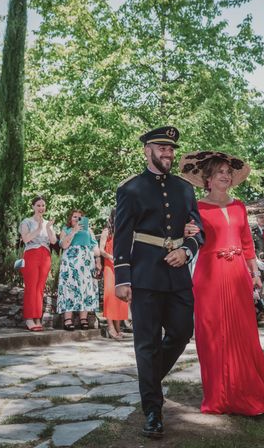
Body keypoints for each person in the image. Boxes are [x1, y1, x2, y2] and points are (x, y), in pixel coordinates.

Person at [113, 126, 204, 438]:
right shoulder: (130, 189)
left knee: (182, 332)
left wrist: (187, 250)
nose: (168, 153)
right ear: (147, 151)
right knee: (146, 344)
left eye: (171, 149)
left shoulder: (185, 189)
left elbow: (198, 230)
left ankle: (149, 379)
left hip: (177, 274)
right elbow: (122, 236)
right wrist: (122, 278)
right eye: (162, 148)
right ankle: (153, 410)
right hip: (145, 275)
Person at [179, 151, 264, 415]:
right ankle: (218, 397)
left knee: (243, 332)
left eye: (228, 172)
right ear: (208, 178)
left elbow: (247, 245)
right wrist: (186, 232)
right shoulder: (196, 208)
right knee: (212, 334)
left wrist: (254, 274)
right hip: (209, 276)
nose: (226, 175)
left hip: (237, 276)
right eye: (220, 171)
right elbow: (186, 238)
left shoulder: (239, 206)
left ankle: (248, 393)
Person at [57, 209, 102, 331]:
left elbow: (95, 247)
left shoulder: (89, 230)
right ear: (70, 219)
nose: (77, 219)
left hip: (86, 264)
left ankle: (83, 318)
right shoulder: (65, 230)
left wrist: (98, 261)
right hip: (70, 263)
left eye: (79, 217)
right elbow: (64, 245)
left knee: (85, 288)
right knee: (69, 288)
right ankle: (68, 319)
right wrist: (74, 231)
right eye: (74, 217)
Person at [19, 196, 57, 332]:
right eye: (38, 205)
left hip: (45, 256)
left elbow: (53, 241)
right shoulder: (27, 221)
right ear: (33, 207)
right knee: (31, 286)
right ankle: (29, 318)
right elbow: (26, 238)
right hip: (31, 254)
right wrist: (39, 227)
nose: (41, 208)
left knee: (40, 288)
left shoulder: (48, 223)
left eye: (43, 205)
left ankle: (37, 317)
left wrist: (47, 227)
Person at [100, 208, 128, 340]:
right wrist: (110, 257)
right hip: (109, 267)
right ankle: (110, 326)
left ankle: (118, 327)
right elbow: (100, 250)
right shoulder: (107, 231)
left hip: (120, 267)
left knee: (120, 298)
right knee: (110, 296)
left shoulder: (123, 231)